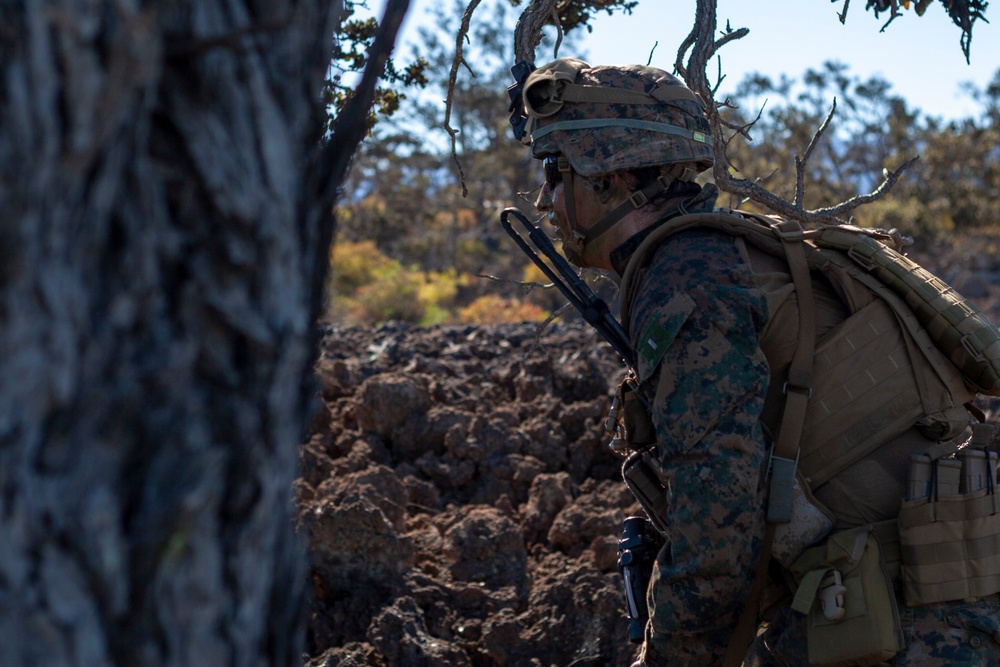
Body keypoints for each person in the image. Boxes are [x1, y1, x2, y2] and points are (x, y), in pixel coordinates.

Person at [511, 56, 1000, 666]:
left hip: (914, 625)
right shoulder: (734, 252)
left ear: (609, 174)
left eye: (557, 172)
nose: (546, 198)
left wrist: (671, 656)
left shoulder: (686, 276)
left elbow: (719, 518)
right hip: (940, 598)